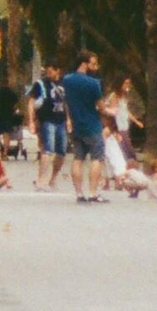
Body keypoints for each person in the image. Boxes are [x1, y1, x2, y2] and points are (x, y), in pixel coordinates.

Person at [62, 52, 107, 202]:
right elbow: (101, 106)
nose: (95, 67)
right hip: (92, 124)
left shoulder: (67, 80)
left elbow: (66, 101)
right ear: (84, 64)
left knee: (78, 158)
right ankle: (93, 193)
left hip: (76, 125)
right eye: (93, 64)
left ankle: (79, 193)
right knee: (96, 158)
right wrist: (110, 111)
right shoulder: (94, 83)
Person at [28, 63, 69, 190]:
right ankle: (41, 180)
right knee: (47, 149)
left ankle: (53, 178)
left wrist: (69, 119)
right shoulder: (40, 84)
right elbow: (31, 102)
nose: (49, 74)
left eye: (51, 72)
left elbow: (66, 102)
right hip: (47, 119)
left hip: (61, 120)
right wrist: (31, 120)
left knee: (62, 151)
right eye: (47, 72)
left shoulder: (64, 83)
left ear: (58, 71)